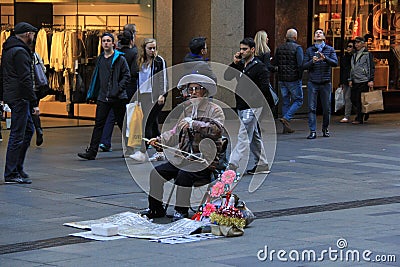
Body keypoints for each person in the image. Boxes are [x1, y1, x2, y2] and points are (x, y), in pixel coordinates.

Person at [141, 74, 225, 221]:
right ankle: (155, 209)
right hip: (185, 158)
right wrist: (160, 140)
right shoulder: (187, 110)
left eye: (196, 89)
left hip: (204, 161)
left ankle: (181, 210)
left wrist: (194, 124)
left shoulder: (215, 110)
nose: (192, 92)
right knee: (157, 172)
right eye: (190, 89)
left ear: (204, 91)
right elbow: (175, 132)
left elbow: (216, 129)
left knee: (184, 174)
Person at [77, 32, 130, 160]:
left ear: (113, 43)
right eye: (104, 41)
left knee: (123, 124)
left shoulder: (120, 59)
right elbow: (97, 78)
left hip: (118, 97)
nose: (106, 43)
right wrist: (93, 93)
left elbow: (126, 75)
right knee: (98, 124)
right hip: (103, 97)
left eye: (108, 41)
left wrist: (117, 89)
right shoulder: (100, 58)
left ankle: (130, 149)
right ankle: (92, 151)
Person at [224, 37, 273, 175]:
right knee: (254, 136)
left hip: (252, 106)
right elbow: (227, 76)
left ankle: (233, 163)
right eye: (240, 49)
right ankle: (262, 163)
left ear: (253, 50)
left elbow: (264, 88)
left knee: (243, 135)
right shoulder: (240, 64)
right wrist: (234, 63)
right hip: (241, 105)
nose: (242, 52)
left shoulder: (260, 67)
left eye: (245, 49)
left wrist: (257, 103)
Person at [1, 22, 39, 184]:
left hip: (14, 95)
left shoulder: (9, 49)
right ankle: (11, 173)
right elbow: (25, 79)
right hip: (20, 97)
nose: (34, 37)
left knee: (28, 130)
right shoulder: (20, 52)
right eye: (32, 34)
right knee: (18, 134)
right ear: (27, 34)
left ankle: (17, 167)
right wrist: (34, 102)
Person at [129, 38, 168, 162]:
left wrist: (162, 94)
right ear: (144, 49)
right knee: (153, 124)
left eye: (154, 48)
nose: (152, 50)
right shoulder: (140, 62)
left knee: (147, 123)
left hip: (156, 97)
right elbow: (135, 78)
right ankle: (160, 150)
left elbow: (164, 78)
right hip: (144, 96)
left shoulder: (159, 61)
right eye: (150, 48)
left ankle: (142, 151)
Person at [99, 30, 138, 152]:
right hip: (125, 89)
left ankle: (105, 141)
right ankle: (130, 146)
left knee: (111, 118)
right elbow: (131, 73)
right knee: (124, 119)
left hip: (114, 90)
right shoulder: (131, 53)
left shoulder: (117, 54)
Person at [303, 29, 338, 139]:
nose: (318, 34)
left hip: (326, 82)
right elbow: (304, 66)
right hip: (313, 81)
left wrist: (325, 58)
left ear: (324, 37)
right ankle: (312, 130)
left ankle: (325, 128)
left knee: (326, 107)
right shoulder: (310, 50)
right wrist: (312, 61)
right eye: (316, 33)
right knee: (311, 107)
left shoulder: (329, 49)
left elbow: (335, 63)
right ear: (314, 38)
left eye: (320, 33)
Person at [274, 28, 304, 133]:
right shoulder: (298, 48)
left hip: (282, 78)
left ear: (286, 37)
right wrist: (300, 76)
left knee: (285, 101)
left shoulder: (280, 47)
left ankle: (286, 127)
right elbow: (300, 64)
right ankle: (287, 117)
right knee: (299, 100)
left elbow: (276, 62)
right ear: (295, 37)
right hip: (293, 78)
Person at [349, 36, 375, 125]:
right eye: (355, 43)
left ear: (363, 43)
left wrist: (371, 79)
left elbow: (371, 67)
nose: (356, 44)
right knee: (353, 98)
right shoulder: (354, 54)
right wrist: (350, 79)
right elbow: (352, 68)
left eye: (358, 42)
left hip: (364, 80)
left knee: (360, 100)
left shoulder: (367, 54)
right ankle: (365, 111)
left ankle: (359, 118)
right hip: (355, 79)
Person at [339, 40, 355, 123]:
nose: (348, 48)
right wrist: (341, 82)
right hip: (345, 80)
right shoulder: (345, 57)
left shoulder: (355, 57)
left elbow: (352, 70)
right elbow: (343, 70)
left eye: (350, 46)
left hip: (353, 80)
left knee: (348, 98)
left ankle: (347, 115)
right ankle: (347, 115)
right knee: (346, 98)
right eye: (348, 46)